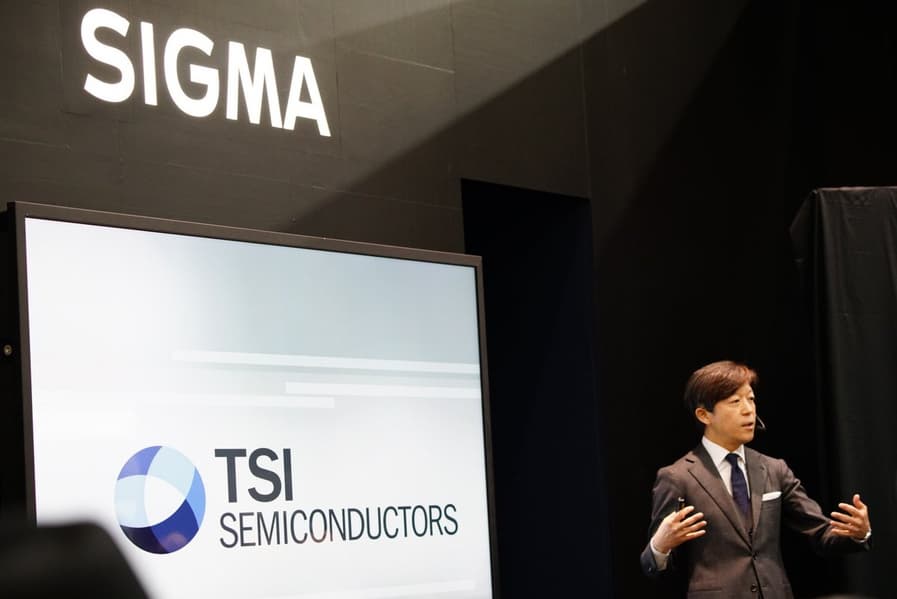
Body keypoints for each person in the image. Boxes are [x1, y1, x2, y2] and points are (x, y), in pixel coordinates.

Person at [640, 360, 871, 599]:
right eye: (735, 402)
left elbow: (821, 533)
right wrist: (660, 545)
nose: (748, 410)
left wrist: (857, 533)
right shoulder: (677, 477)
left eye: (751, 399)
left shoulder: (773, 469)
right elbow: (652, 567)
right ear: (704, 415)